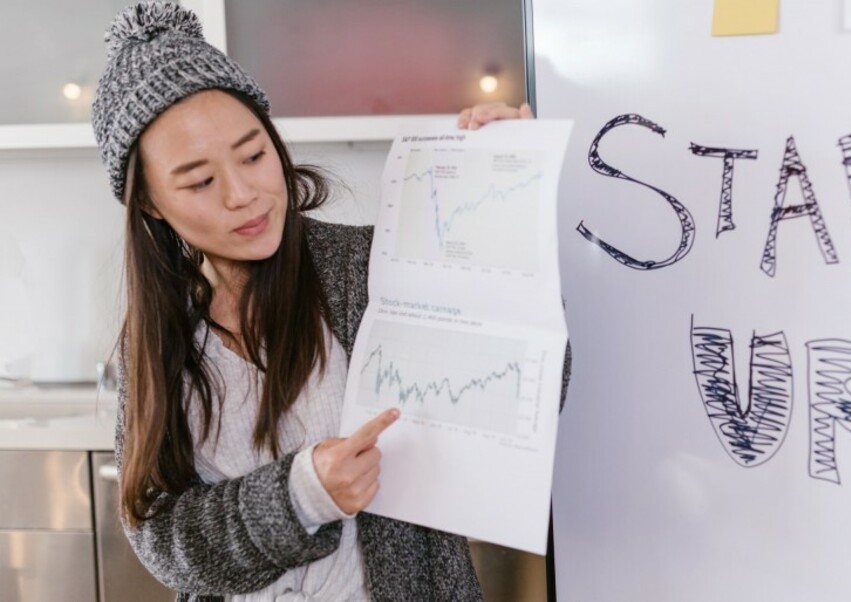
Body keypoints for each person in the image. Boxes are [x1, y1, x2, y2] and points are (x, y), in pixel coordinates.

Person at [91, 3, 540, 600]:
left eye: (253, 155)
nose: (243, 194)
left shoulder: (369, 269)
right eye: (200, 181)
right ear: (148, 203)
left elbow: (535, 392)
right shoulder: (157, 337)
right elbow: (163, 536)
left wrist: (507, 213)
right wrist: (300, 493)